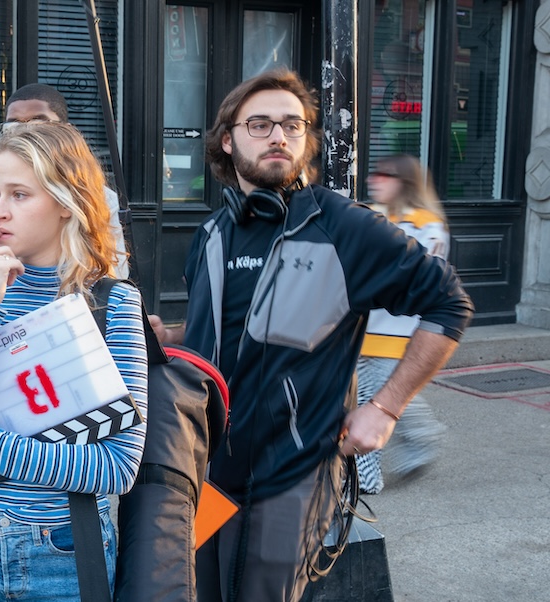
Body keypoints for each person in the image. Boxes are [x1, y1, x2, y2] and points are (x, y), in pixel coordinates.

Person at [150, 70, 473, 601]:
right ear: (227, 141)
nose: (278, 135)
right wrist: (173, 338)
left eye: (291, 125)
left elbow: (449, 303)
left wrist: (387, 408)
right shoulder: (210, 233)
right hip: (206, 470)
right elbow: (221, 333)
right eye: (260, 124)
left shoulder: (345, 227)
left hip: (291, 480)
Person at [0, 122, 148, 599]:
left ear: (65, 202)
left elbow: (119, 467)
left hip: (66, 545)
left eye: (19, 194)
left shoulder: (111, 304)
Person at [356, 154, 451, 493]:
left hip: (398, 331)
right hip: (363, 329)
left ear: (406, 183)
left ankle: (368, 479)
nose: (375, 180)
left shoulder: (427, 225)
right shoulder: (374, 215)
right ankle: (421, 435)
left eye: (386, 175)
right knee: (373, 397)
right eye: (375, 173)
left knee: (376, 400)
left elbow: (420, 279)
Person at [5, 83, 129, 277]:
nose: (25, 132)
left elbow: (115, 272)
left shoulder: (98, 197)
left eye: (39, 124)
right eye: (14, 126)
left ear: (65, 130)